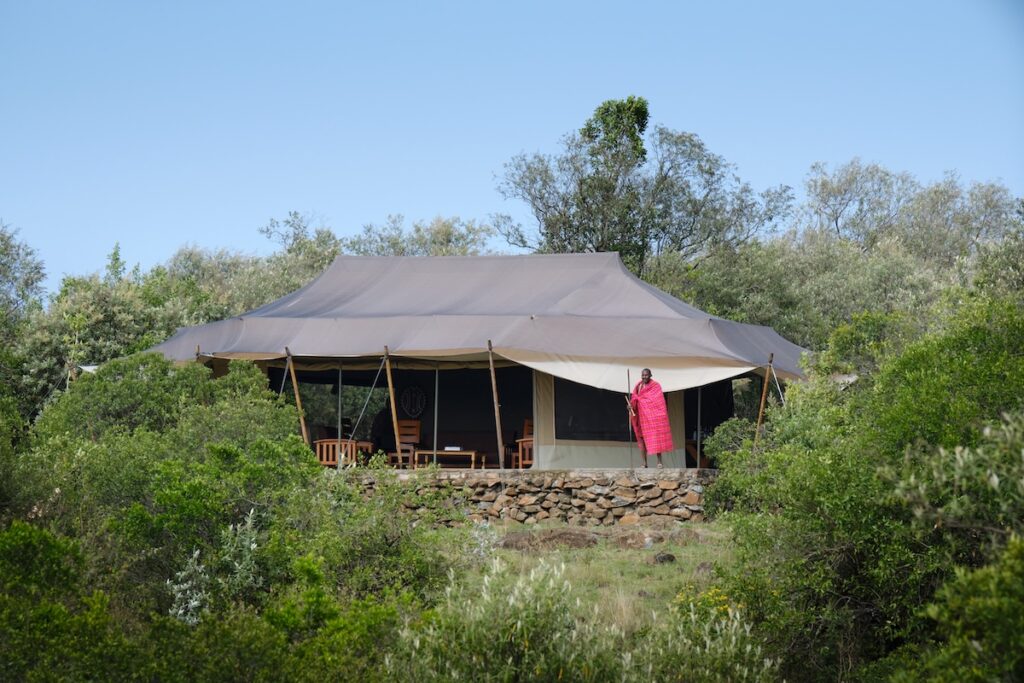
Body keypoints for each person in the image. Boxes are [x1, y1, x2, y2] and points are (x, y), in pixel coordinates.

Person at [629, 368, 674, 468]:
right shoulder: (638, 386)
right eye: (643, 375)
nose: (644, 377)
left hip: (653, 418)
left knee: (656, 438)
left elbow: (658, 403)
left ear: (650, 375)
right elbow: (634, 400)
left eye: (646, 375)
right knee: (642, 439)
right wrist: (631, 406)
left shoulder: (655, 386)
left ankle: (659, 462)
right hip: (641, 418)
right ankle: (644, 463)